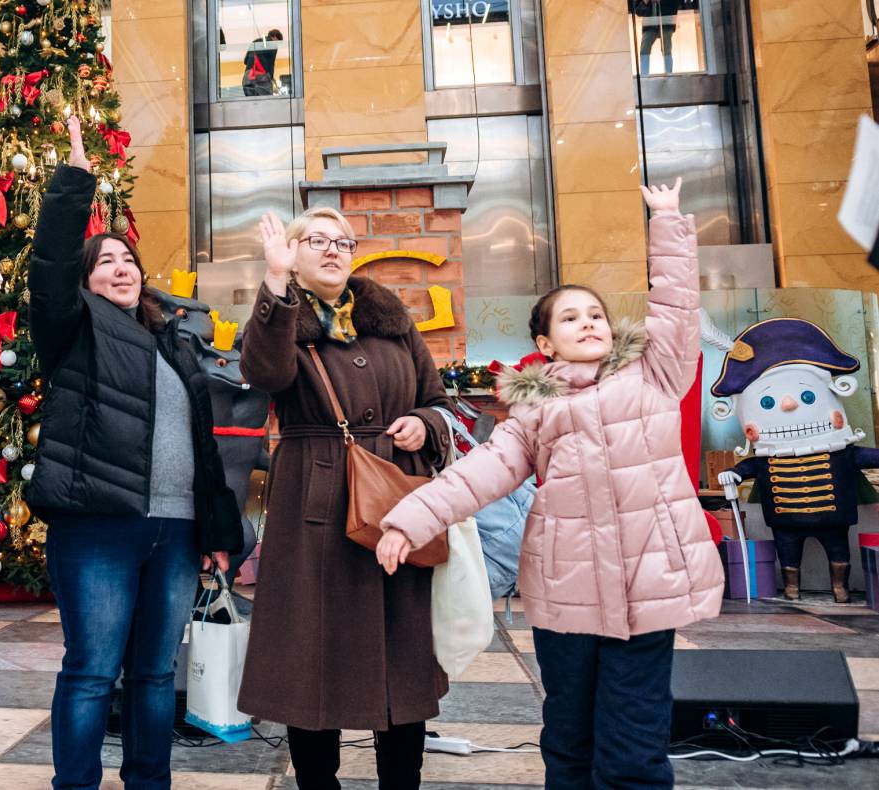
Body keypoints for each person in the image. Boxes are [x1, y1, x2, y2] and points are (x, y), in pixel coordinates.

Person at [376, 178, 724, 788]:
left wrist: (667, 223)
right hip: (566, 595)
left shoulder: (655, 376)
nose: (588, 323)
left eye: (595, 314)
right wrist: (410, 520)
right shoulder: (534, 412)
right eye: (570, 317)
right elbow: (477, 474)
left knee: (634, 741)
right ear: (544, 342)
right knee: (567, 735)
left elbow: (675, 308)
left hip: (648, 586)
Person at [27, 116, 244, 790]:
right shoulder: (72, 331)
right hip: (98, 527)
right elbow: (50, 264)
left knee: (154, 674)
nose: (119, 267)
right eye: (104, 262)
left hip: (175, 531)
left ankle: (149, 782)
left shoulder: (175, 345)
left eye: (127, 258)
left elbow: (203, 455)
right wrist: (74, 181)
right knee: (92, 671)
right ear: (87, 282)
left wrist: (216, 535)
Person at [237, 207, 453, 789]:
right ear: (293, 251)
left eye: (343, 241)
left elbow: (437, 399)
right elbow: (264, 374)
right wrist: (276, 285)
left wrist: (423, 425)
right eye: (317, 240)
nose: (333, 250)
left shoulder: (389, 317)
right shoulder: (282, 314)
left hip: (395, 497)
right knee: (315, 657)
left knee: (401, 656)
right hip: (315, 500)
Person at [633, 0, 683, 75]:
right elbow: (638, 11)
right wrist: (645, 2)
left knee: (666, 50)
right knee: (644, 50)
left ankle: (669, 74)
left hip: (666, 23)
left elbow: (676, 4)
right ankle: (644, 75)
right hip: (649, 25)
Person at [242, 28, 283, 96]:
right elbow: (271, 64)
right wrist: (271, 78)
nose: (277, 44)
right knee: (265, 102)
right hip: (261, 78)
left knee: (252, 103)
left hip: (247, 77)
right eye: (278, 42)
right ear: (275, 37)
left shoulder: (255, 42)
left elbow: (245, 61)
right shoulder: (273, 44)